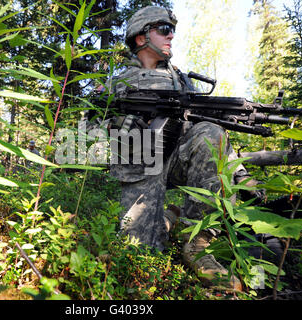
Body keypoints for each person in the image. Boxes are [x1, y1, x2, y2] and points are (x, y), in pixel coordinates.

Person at [106, 6, 258, 290]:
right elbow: (92, 127)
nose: (171, 36)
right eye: (163, 29)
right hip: (139, 165)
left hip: (178, 157)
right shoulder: (118, 82)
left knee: (211, 131)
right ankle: (169, 217)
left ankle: (197, 241)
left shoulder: (182, 80)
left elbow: (209, 128)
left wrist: (240, 172)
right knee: (138, 256)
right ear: (141, 38)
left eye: (172, 30)